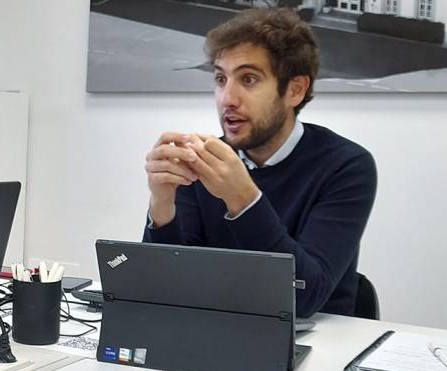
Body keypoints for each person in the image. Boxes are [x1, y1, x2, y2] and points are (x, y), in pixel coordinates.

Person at [143, 8, 376, 318]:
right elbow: (162, 286)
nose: (228, 98)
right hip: (219, 334)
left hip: (319, 347)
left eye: (248, 79)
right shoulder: (203, 163)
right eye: (220, 78)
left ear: (295, 90)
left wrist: (244, 198)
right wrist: (161, 204)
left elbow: (304, 296)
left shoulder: (347, 166)